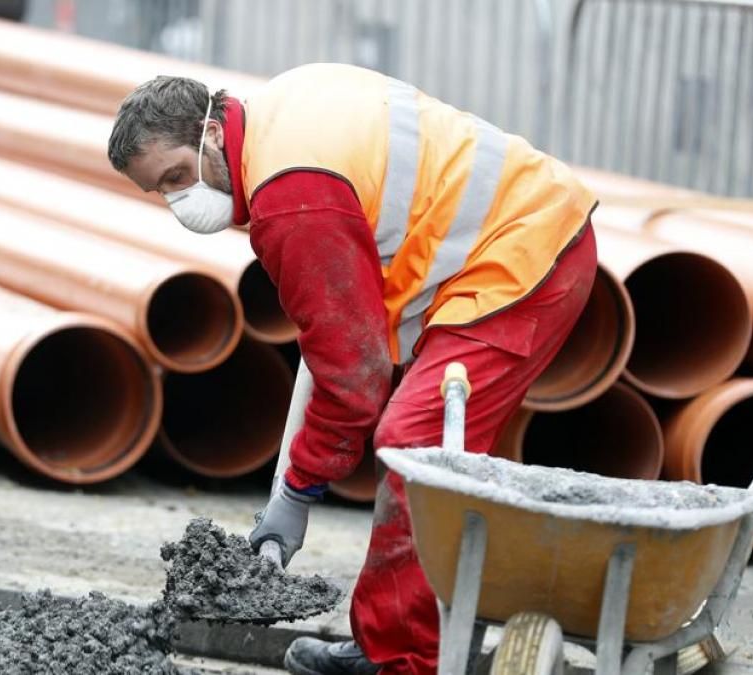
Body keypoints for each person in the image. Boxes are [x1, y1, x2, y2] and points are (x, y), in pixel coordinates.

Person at [107, 63, 597, 675]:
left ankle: (406, 662)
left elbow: (355, 378)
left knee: (416, 446)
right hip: (508, 237)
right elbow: (335, 336)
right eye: (162, 191)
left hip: (525, 255)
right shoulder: (274, 117)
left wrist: (297, 490)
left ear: (209, 133)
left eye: (178, 176)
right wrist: (298, 484)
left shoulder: (290, 196)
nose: (179, 200)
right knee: (423, 452)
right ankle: (391, 646)